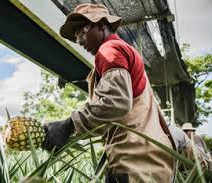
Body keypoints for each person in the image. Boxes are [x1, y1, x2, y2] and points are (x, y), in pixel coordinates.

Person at [41, 3, 176, 182]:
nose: (79, 40)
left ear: (102, 24)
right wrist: (69, 132)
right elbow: (115, 114)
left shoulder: (109, 50)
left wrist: (68, 125)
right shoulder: (121, 50)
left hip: (134, 160)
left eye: (82, 30)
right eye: (75, 36)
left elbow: (116, 102)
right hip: (147, 158)